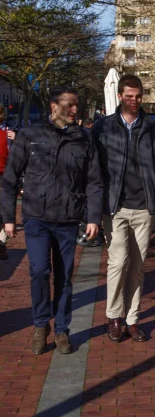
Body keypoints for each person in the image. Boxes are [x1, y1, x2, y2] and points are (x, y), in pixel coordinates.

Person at [0, 86, 103, 354]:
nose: (74, 110)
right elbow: (10, 178)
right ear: (53, 107)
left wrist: (93, 217)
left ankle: (61, 330)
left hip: (68, 219)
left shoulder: (84, 139)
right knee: (38, 272)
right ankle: (40, 324)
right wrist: (8, 218)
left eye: (76, 105)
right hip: (36, 218)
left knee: (65, 277)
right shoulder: (30, 135)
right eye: (69, 105)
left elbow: (94, 181)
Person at [92, 74, 155, 344]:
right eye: (129, 96)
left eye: (138, 96)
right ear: (119, 96)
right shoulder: (104, 127)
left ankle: (132, 319)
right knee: (118, 262)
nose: (134, 101)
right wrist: (92, 210)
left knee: (138, 266)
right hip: (115, 206)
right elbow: (93, 170)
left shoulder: (152, 128)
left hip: (144, 207)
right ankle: (114, 317)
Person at [0, 104, 16, 260]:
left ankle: (1, 243)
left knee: (5, 210)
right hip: (5, 175)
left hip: (5, 176)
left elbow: (13, 155)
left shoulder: (8, 133)